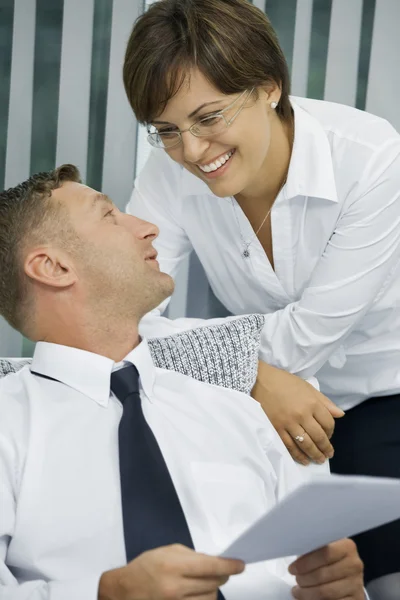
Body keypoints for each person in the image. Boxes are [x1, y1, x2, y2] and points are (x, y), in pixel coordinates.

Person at [122, 0, 400, 594]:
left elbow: (310, 337)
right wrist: (249, 374)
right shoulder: (166, 171)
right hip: (266, 402)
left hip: (387, 395)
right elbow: (122, 310)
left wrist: (245, 367)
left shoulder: (370, 156)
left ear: (269, 87)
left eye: (209, 117)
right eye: (167, 130)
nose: (192, 152)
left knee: (374, 578)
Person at [0, 166, 366, 600]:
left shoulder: (245, 410)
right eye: (110, 216)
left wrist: (340, 592)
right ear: (54, 267)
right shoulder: (9, 423)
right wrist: (103, 594)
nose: (149, 229)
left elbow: (313, 567)